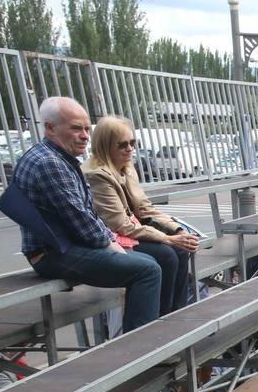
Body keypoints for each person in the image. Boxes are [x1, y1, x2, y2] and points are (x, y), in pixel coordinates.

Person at [7, 97, 161, 332]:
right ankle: (139, 346)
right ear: (50, 127)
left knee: (149, 262)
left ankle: (147, 335)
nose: (85, 135)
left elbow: (87, 214)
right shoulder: (49, 163)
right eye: (76, 128)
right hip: (52, 254)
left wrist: (113, 243)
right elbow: (82, 221)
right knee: (147, 270)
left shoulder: (58, 158)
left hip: (65, 247)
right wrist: (115, 246)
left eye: (87, 129)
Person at [84, 115, 198, 317]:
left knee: (181, 249)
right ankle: (159, 318)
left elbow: (145, 208)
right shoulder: (97, 175)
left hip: (130, 233)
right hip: (111, 239)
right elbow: (120, 224)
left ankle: (176, 315)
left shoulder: (127, 168)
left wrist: (177, 230)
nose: (130, 149)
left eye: (132, 143)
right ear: (105, 146)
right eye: (122, 145)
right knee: (167, 255)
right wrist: (167, 238)